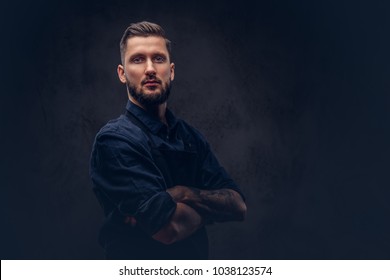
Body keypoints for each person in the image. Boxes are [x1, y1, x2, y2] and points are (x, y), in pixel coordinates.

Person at [90, 21, 246, 259]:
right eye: (138, 59)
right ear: (122, 74)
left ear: (171, 71)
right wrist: (212, 209)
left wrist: (183, 193)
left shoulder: (190, 136)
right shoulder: (115, 141)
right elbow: (168, 229)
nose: (150, 69)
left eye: (159, 59)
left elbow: (238, 205)